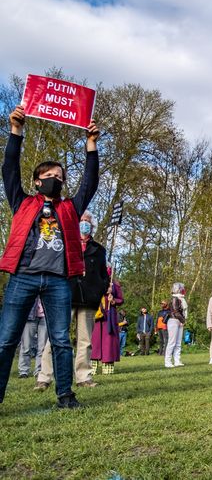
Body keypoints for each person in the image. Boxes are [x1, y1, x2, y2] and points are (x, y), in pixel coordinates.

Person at [0, 104, 99, 408]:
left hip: (58, 281)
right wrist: (16, 131)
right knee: (6, 340)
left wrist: (91, 146)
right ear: (37, 180)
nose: (54, 178)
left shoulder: (70, 208)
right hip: (24, 277)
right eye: (48, 175)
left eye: (59, 175)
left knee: (60, 340)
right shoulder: (23, 202)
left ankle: (66, 396)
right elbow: (9, 170)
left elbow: (89, 183)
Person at [38, 210, 109, 390]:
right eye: (82, 220)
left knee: (85, 340)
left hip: (88, 299)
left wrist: (100, 288)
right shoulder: (64, 244)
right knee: (55, 338)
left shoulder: (99, 250)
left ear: (91, 226)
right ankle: (44, 377)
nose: (84, 223)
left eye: (87, 221)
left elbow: (103, 274)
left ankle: (83, 376)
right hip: (64, 295)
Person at [91, 276, 123, 375]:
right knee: (94, 342)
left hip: (109, 316)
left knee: (108, 342)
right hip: (96, 315)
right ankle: (91, 368)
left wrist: (113, 300)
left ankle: (107, 368)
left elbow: (120, 299)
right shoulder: (94, 280)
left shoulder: (114, 285)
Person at [18, 299, 47, 379]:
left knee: (42, 348)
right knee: (26, 346)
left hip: (46, 316)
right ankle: (23, 371)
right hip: (30, 316)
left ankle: (39, 371)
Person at [164, 282, 188, 368]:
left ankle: (177, 360)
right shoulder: (174, 298)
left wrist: (182, 321)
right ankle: (168, 361)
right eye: (182, 288)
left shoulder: (181, 299)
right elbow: (175, 311)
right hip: (173, 320)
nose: (183, 290)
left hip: (179, 321)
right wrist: (183, 320)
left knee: (178, 343)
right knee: (172, 342)